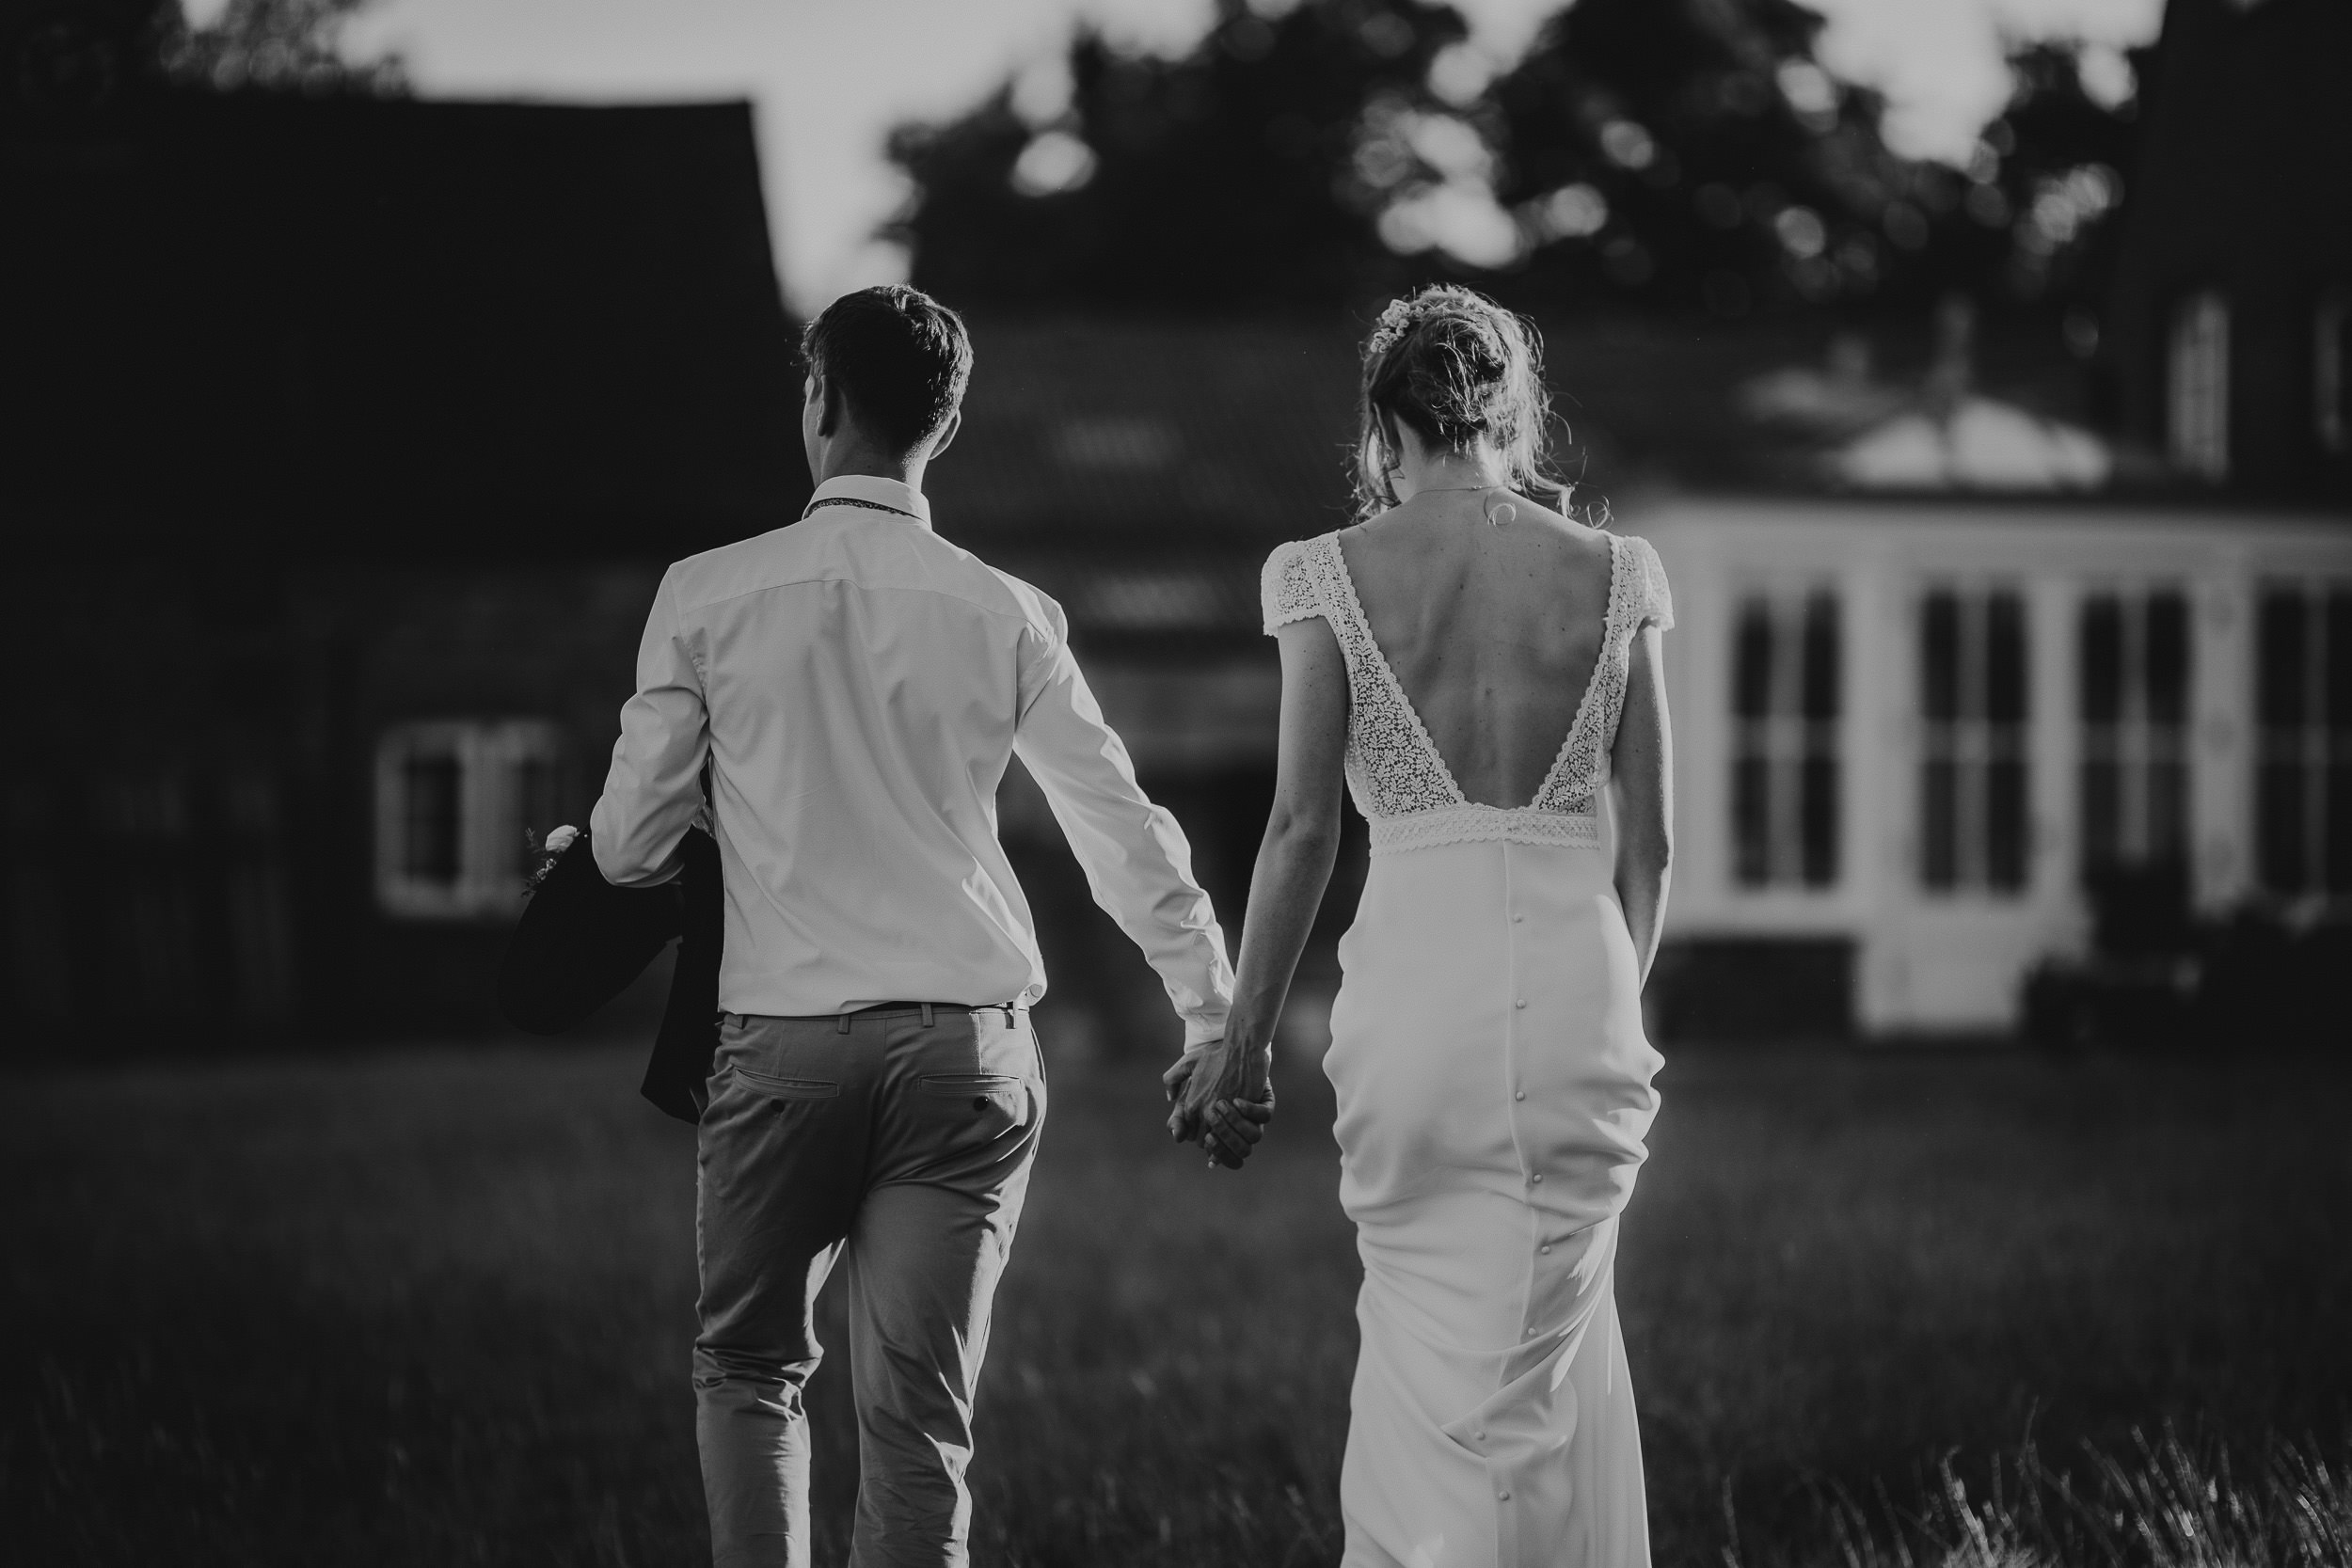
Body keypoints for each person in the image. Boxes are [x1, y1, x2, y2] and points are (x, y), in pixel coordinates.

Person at [591, 284, 1236, 1568]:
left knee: (751, 1372)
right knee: (920, 1426)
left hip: (781, 1051)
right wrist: (1218, 1014)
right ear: (945, 425)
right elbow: (1124, 833)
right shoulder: (1008, 610)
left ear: (820, 398)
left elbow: (627, 848)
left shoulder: (705, 595)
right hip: (963, 1055)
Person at [1169, 285, 1676, 1567]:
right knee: (1553, 1383)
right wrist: (1611, 995)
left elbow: (1300, 830)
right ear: (1511, 413)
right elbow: (1654, 845)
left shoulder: (1327, 574)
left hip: (1418, 1016)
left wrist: (1239, 1049)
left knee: (1424, 1374)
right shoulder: (1619, 574)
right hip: (1581, 1011)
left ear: (1384, 422)